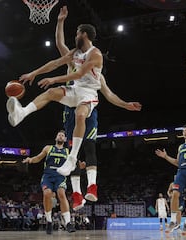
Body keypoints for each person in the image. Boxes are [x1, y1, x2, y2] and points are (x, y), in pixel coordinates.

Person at [55, 5, 142, 210]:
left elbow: (109, 95)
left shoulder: (98, 77)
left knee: (89, 146)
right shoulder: (73, 62)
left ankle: (92, 187)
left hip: (88, 109)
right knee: (71, 152)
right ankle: (76, 194)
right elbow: (60, 43)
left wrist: (125, 104)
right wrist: (60, 21)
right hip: (70, 108)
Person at [8, 19, 104, 179]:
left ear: (84, 34)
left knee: (80, 117)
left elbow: (79, 74)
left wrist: (53, 79)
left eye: (77, 33)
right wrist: (34, 73)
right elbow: (55, 62)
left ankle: (72, 159)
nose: (75, 36)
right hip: (74, 91)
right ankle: (21, 113)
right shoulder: (75, 53)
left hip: (89, 93)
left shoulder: (95, 53)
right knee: (51, 93)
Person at [22, 130, 76, 234]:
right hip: (48, 175)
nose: (60, 136)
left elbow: (73, 164)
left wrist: (80, 166)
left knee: (61, 193)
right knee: (47, 194)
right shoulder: (48, 148)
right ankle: (49, 221)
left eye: (62, 136)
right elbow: (38, 158)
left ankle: (68, 223)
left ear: (65, 139)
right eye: (59, 135)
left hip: (60, 176)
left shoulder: (68, 151)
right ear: (56, 138)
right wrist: (30, 160)